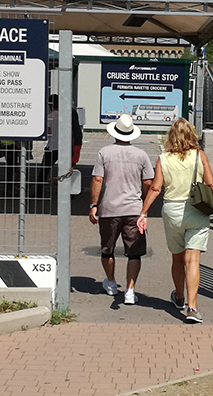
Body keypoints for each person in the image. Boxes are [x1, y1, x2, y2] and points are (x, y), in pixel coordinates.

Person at [137, 118, 213, 324]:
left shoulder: (163, 158)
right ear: (191, 135)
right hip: (197, 211)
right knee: (192, 260)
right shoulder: (199, 156)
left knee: (177, 258)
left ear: (171, 136)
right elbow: (211, 184)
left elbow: (156, 188)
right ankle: (192, 308)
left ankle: (179, 297)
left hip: (172, 211)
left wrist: (143, 212)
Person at [89, 114, 154, 305]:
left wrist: (94, 205)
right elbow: (149, 182)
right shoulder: (141, 155)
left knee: (107, 249)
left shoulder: (104, 152)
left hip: (109, 209)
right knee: (134, 252)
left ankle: (110, 282)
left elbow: (97, 179)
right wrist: (144, 206)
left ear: (115, 133)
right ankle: (130, 290)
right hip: (134, 209)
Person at [34, 95, 83, 195]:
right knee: (67, 170)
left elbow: (47, 132)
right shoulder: (68, 115)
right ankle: (70, 193)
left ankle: (39, 192)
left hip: (52, 147)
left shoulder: (50, 117)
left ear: (50, 105)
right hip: (66, 147)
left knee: (44, 170)